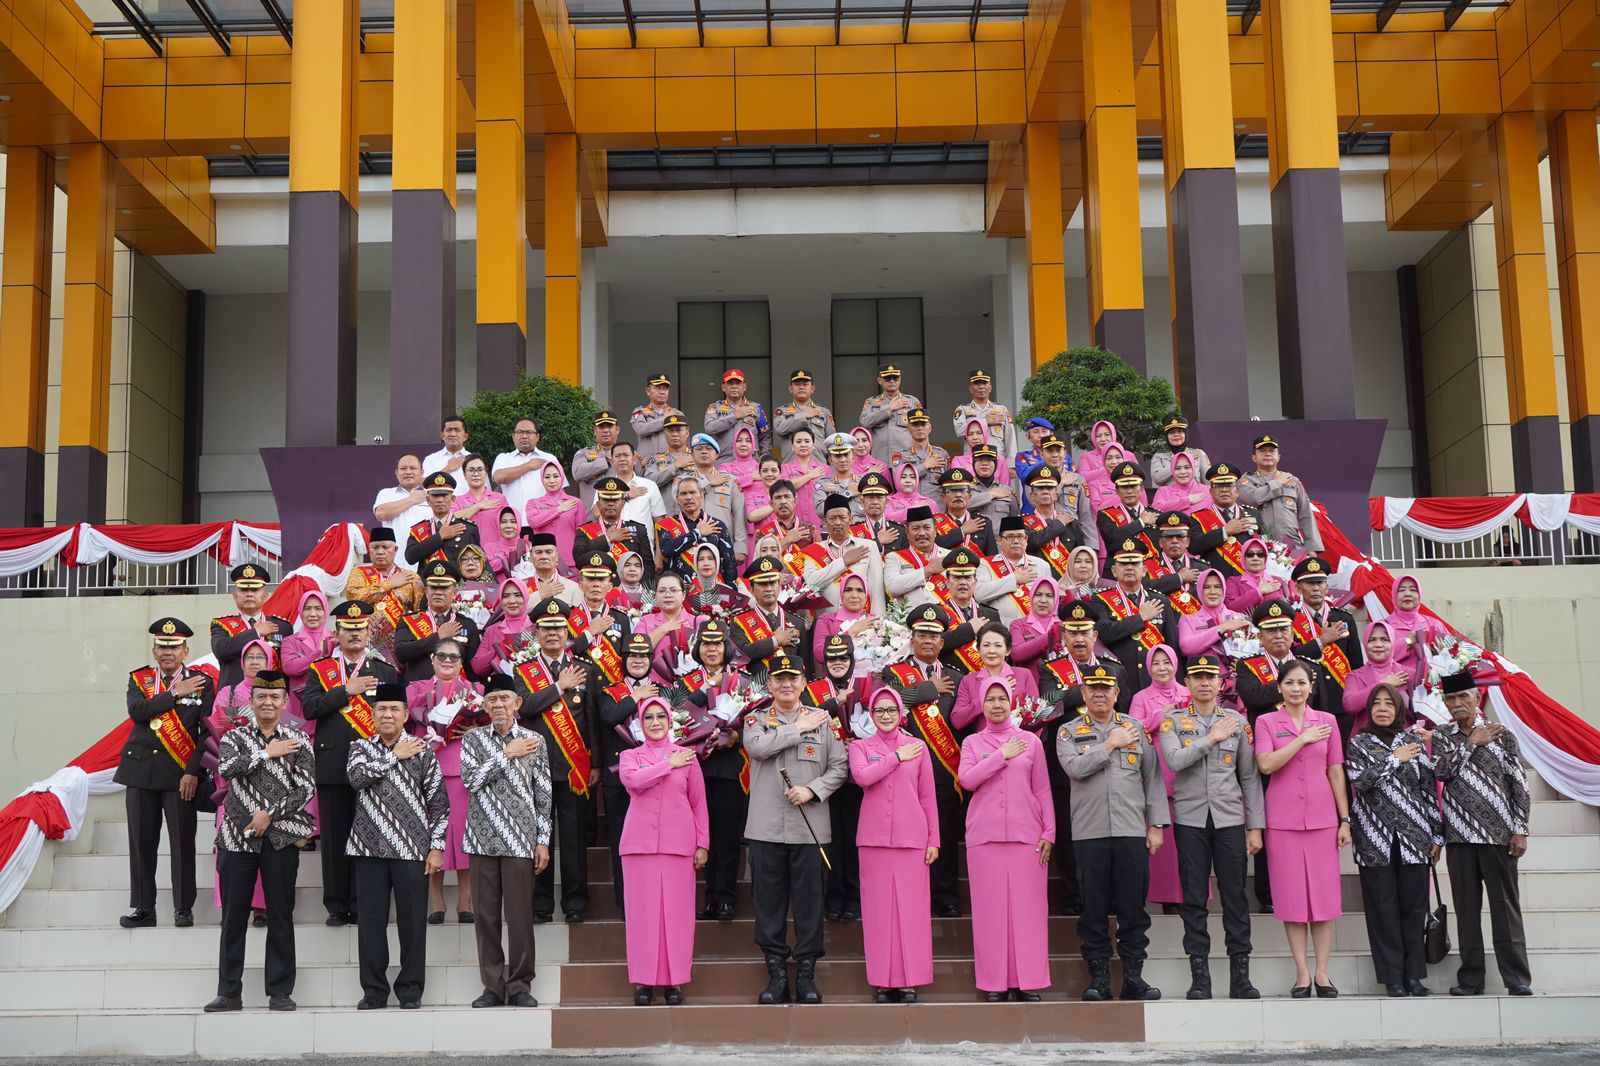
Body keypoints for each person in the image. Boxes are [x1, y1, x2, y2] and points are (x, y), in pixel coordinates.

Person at [205, 670, 315, 1013]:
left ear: (284, 702)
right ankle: (228, 992)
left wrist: (269, 814)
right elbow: (229, 769)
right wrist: (267, 753)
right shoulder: (234, 738)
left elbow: (306, 788)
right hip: (238, 838)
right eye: (261, 697)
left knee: (281, 915)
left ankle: (280, 991)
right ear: (251, 702)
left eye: (274, 697)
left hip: (280, 838)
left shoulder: (299, 741)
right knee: (234, 918)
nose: (268, 702)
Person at [743, 651, 850, 1005]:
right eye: (779, 679)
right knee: (769, 904)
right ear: (769, 685)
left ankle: (806, 972)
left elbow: (839, 767)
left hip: (811, 829)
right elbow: (757, 749)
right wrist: (796, 729)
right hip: (766, 828)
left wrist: (813, 790)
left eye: (793, 678)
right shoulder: (756, 720)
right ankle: (775, 973)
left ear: (804, 682)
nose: (786, 684)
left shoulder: (824, 722)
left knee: (809, 904)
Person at [1158, 654, 1264, 1000]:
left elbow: (1248, 777)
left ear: (1221, 684)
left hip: (1230, 819)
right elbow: (1174, 761)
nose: (1204, 683)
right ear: (1186, 684)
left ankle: (1241, 976)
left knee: (1235, 896)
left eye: (1211, 678)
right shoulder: (1172, 722)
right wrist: (1211, 738)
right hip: (1190, 820)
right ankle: (1200, 976)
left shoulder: (1237, 721)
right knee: (1193, 897)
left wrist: (1255, 827)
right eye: (1197, 678)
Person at [1060, 665, 1167, 1002]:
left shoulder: (1135, 729)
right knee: (1092, 909)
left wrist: (1157, 825)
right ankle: (1100, 979)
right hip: (1089, 832)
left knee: (1133, 907)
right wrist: (1108, 745)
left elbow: (1153, 779)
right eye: (1093, 688)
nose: (1100, 693)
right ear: (1084, 692)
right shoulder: (1069, 732)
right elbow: (1074, 768)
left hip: (1131, 831)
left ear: (1117, 693)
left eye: (1107, 687)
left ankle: (1134, 977)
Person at [1253, 658, 1351, 998]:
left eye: (1302, 683)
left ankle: (1323, 973)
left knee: (1323, 902)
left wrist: (1345, 819)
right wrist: (1302, 739)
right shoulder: (1267, 722)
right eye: (1289, 683)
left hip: (1323, 819)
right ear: (1279, 687)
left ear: (1312, 687)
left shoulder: (1327, 721)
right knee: (1293, 903)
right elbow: (1266, 764)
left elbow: (1336, 771)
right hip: (1282, 822)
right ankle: (1302, 973)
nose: (1296, 689)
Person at [346, 683, 448, 1010]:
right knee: (371, 924)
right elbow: (357, 778)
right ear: (372, 715)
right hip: (369, 849)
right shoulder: (360, 747)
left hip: (411, 850)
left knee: (413, 924)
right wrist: (393, 756)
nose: (387, 715)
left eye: (394, 710)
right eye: (381, 710)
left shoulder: (422, 750)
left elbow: (440, 806)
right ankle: (374, 991)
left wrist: (436, 847)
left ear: (405, 715)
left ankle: (411, 989)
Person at [299, 600, 401, 926]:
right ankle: (337, 905)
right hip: (333, 765)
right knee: (334, 839)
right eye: (348, 629)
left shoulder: (384, 670)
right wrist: (347, 690)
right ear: (337, 633)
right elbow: (310, 708)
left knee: (369, 838)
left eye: (360, 629)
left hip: (373, 767)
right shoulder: (321, 669)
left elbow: (394, 717)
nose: (354, 634)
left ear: (369, 631)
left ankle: (364, 905)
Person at [1432, 671, 1533, 997]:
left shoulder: (1501, 735)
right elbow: (1441, 772)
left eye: (1464, 697)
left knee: (1505, 907)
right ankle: (1471, 979)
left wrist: (1520, 829)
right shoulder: (1443, 735)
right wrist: (1470, 744)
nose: (1458, 704)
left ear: (1477, 699)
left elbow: (1519, 785)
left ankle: (1516, 978)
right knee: (1466, 909)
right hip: (1459, 837)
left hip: (1499, 836)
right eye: (1451, 699)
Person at [960, 676, 1054, 1002]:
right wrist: (1001, 755)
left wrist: (1049, 832)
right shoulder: (972, 743)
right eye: (990, 699)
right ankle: (994, 983)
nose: (997, 705)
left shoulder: (1031, 741)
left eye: (1002, 699)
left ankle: (1026, 981)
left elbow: (1042, 788)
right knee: (990, 915)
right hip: (984, 839)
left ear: (1011, 702)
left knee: (1028, 913)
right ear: (982, 705)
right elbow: (967, 780)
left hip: (1026, 836)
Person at [461, 674, 552, 1009]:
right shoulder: (472, 740)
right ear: (484, 706)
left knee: (519, 914)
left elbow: (544, 794)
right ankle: (493, 986)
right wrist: (506, 754)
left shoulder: (535, 740)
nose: (499, 705)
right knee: (485, 915)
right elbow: (471, 782)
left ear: (517, 704)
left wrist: (542, 840)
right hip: (482, 839)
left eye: (505, 699)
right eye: (493, 700)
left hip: (520, 840)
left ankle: (520, 984)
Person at [1346, 683, 1443, 998]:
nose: (1383, 709)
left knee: (1413, 910)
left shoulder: (1413, 742)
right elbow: (1361, 780)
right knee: (1382, 910)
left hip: (1414, 840)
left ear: (1399, 710)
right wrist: (1393, 759)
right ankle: (1392, 978)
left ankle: (1414, 976)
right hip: (1375, 841)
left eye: (1389, 703)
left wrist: (1437, 834)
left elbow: (1428, 789)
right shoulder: (1359, 743)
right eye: (1377, 703)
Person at [118, 617, 212, 930]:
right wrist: (174, 694)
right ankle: (145, 908)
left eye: (174, 646)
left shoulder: (203, 682)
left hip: (179, 775)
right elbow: (138, 713)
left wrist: (193, 773)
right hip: (141, 771)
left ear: (185, 650)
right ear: (154, 650)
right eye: (162, 646)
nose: (167, 651)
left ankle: (183, 908)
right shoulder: (140, 679)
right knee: (141, 843)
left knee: (182, 844)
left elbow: (206, 735)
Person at [511, 598, 600, 924]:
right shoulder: (524, 670)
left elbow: (591, 720)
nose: (552, 634)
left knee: (574, 840)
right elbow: (526, 707)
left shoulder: (585, 669)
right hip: (535, 768)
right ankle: (540, 904)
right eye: (546, 628)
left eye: (558, 628)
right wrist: (559, 686)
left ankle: (575, 903)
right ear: (536, 631)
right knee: (538, 838)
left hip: (574, 768)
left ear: (567, 632)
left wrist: (597, 764)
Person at [620, 696, 710, 1006]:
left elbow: (698, 802)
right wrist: (666, 765)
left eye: (661, 717)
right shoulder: (631, 756)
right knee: (642, 916)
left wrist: (703, 843)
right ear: (641, 724)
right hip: (639, 846)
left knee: (677, 916)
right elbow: (633, 782)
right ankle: (643, 982)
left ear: (670, 722)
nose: (655, 722)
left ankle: (675, 982)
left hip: (678, 846)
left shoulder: (687, 757)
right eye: (649, 718)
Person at [851, 687, 939, 1004]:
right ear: (871, 715)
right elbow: (863, 777)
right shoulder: (861, 747)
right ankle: (883, 981)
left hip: (912, 840)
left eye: (891, 710)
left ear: (901, 713)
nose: (886, 716)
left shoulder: (917, 746)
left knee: (911, 912)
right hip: (874, 841)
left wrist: (934, 839)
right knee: (878, 914)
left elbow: (928, 795)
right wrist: (894, 758)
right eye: (879, 711)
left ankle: (910, 981)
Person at [882, 604, 965, 916]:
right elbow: (890, 702)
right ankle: (910, 896)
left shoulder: (957, 677)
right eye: (922, 634)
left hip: (944, 769)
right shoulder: (894, 672)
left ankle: (945, 897)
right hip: (905, 767)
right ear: (912, 639)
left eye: (934, 635)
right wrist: (930, 690)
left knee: (942, 834)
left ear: (942, 642)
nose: (928, 640)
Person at [674, 619, 757, 922]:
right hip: (695, 767)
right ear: (699, 649)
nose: (712, 649)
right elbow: (676, 719)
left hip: (729, 766)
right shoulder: (685, 681)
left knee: (726, 835)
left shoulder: (742, 682)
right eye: (706, 644)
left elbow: (755, 723)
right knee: (700, 836)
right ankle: (708, 897)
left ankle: (725, 898)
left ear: (726, 649)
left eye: (717, 644)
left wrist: (736, 738)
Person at [406, 637, 485, 924]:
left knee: (465, 834)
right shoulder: (417, 687)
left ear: (462, 662)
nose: (447, 661)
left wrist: (471, 727)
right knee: (432, 833)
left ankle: (466, 901)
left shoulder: (475, 690)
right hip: (428, 767)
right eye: (442, 656)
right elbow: (409, 708)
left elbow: (485, 722)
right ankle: (436, 901)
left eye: (453, 657)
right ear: (432, 659)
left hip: (463, 769)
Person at [1129, 645, 1189, 916]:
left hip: (1189, 775)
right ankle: (1167, 899)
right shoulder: (1142, 696)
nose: (1162, 668)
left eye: (1167, 662)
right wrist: (1162, 713)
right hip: (1157, 774)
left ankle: (1192, 892)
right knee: (1164, 844)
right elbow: (1132, 729)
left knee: (1190, 839)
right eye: (1156, 663)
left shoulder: (1188, 693)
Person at [1290, 557, 1363, 741]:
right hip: (1307, 702)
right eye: (1309, 583)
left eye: (1320, 583)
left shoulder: (1344, 618)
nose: (1315, 588)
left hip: (1341, 702)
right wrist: (1322, 641)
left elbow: (1356, 666)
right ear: (1298, 588)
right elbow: (1290, 658)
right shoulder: (1291, 620)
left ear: (1327, 587)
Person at [1091, 539, 1176, 693]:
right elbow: (1104, 633)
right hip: (1119, 682)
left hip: (1155, 681)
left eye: (1135, 564)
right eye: (1123, 564)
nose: (1129, 568)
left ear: (1144, 570)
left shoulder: (1160, 600)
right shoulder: (1100, 600)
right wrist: (1140, 617)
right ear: (1114, 571)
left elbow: (1172, 645)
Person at [394, 559, 483, 686]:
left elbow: (472, 669)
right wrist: (438, 637)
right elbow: (401, 653)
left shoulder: (467, 625)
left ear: (455, 593)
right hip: (417, 694)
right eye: (433, 587)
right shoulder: (409, 620)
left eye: (444, 588)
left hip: (455, 696)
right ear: (426, 591)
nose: (438, 592)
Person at [342, 529, 424, 655]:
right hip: (366, 642)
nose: (380, 552)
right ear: (369, 550)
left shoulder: (411, 578)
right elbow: (354, 598)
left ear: (395, 550)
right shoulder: (359, 573)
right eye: (375, 547)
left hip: (402, 642)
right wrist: (389, 585)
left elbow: (420, 612)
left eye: (385, 547)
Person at [802, 493, 886, 614]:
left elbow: (877, 590)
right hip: (827, 622)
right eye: (832, 518)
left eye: (842, 517)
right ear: (825, 521)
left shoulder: (868, 546)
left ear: (850, 519)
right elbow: (810, 584)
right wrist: (843, 562)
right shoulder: (814, 550)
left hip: (861, 622)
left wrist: (878, 623)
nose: (837, 522)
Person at [1238, 434, 1322, 552]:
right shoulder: (1246, 481)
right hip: (1260, 545)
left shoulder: (1292, 480)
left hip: (1292, 544)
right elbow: (1252, 498)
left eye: (1272, 451)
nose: (1268, 454)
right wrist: (1276, 483)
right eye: (1262, 451)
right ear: (1254, 458)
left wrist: (1313, 548)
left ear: (1278, 457)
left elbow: (1306, 514)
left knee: (1297, 570)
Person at [212, 563, 290, 690]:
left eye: (255, 590)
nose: (249, 594)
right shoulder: (221, 625)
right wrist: (256, 632)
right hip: (234, 699)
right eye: (243, 590)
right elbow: (222, 651)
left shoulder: (282, 627)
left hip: (271, 699)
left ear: (265, 596)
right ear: (234, 596)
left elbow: (287, 667)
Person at [951, 622, 1040, 731]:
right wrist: (986, 695)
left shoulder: (1024, 675)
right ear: (978, 649)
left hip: (1019, 744)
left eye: (998, 645)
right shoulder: (968, 681)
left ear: (1008, 650)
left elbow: (1037, 717)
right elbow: (957, 720)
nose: (991, 651)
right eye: (986, 645)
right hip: (982, 745)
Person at [1342, 621, 1423, 733]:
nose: (1378, 644)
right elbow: (1350, 706)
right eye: (1372, 640)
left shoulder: (1409, 674)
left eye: (1385, 640)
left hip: (1404, 740)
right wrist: (1383, 684)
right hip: (1365, 743)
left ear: (1393, 643)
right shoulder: (1355, 676)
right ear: (1365, 643)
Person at [659, 476, 737, 585]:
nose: (688, 497)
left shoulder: (716, 525)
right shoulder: (667, 525)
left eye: (692, 492)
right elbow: (667, 550)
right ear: (677, 499)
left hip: (712, 590)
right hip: (680, 589)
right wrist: (697, 533)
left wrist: (731, 590)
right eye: (683, 494)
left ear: (701, 496)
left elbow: (729, 563)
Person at [1194, 461, 1259, 575]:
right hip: (1216, 582)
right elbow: (1193, 547)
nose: (1224, 490)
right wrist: (1224, 531)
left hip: (1247, 579)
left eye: (1229, 485)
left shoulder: (1253, 514)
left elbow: (1264, 545)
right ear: (1211, 492)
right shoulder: (1199, 517)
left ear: (1237, 491)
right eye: (1219, 486)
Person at [493, 418, 566, 517]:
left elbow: (561, 491)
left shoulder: (549, 458)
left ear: (537, 436)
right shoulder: (504, 458)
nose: (524, 436)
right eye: (519, 432)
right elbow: (499, 477)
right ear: (513, 436)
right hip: (512, 523)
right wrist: (529, 466)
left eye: (529, 432)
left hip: (544, 520)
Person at [406, 472, 482, 568]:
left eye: (444, 495)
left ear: (453, 499)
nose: (440, 500)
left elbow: (478, 563)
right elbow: (410, 557)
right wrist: (439, 537)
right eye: (435, 496)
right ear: (428, 500)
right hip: (427, 582)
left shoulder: (468, 528)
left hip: (458, 583)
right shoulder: (419, 530)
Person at [1178, 569, 1251, 663]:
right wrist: (1221, 628)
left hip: (1236, 676)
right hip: (1204, 676)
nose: (1212, 592)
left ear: (1224, 589)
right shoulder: (1187, 620)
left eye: (1217, 587)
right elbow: (1186, 648)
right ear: (1199, 589)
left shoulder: (1239, 618)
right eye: (1207, 587)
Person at [980, 517, 1043, 623]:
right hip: (1000, 630)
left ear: (1026, 539)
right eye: (1010, 537)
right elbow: (979, 594)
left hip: (1033, 628)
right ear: (999, 541)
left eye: (1020, 537)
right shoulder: (985, 564)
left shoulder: (1041, 565)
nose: (1016, 541)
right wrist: (1013, 579)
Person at [523, 460, 585, 568]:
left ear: (562, 478)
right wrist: (558, 510)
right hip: (543, 561)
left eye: (556, 476)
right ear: (542, 480)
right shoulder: (533, 503)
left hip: (570, 560)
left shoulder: (575, 502)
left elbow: (582, 534)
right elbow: (533, 522)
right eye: (547, 477)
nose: (552, 480)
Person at [1385, 574, 1447, 676]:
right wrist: (1408, 642)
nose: (1408, 594)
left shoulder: (1434, 624)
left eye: (1413, 590)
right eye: (1401, 590)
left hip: (1434, 687)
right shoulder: (1384, 627)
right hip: (1399, 686)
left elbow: (1453, 655)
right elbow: (1379, 659)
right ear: (1394, 594)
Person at [473, 576, 534, 677]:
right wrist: (499, 649)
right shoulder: (492, 631)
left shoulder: (536, 628)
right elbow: (477, 667)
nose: (512, 601)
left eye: (518, 595)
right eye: (506, 596)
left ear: (526, 597)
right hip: (503, 688)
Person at [859, 363, 920, 463]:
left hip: (906, 460)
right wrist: (889, 409)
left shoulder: (912, 401)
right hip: (880, 460)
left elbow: (922, 430)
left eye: (895, 378)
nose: (892, 381)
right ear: (880, 380)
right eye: (887, 378)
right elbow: (864, 422)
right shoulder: (871, 402)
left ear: (900, 379)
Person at [704, 367, 770, 458]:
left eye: (738, 383)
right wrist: (734, 416)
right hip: (723, 461)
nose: (734, 386)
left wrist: (764, 457)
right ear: (723, 387)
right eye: (730, 383)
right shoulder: (715, 407)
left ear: (744, 387)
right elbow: (709, 428)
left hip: (750, 463)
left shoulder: (756, 408)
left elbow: (765, 435)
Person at [952, 368, 1017, 460]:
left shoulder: (1001, 409)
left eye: (984, 383)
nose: (981, 387)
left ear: (990, 387)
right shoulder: (962, 410)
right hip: (972, 461)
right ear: (970, 389)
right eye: (977, 383)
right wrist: (985, 421)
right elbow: (960, 431)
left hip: (997, 460)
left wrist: (1011, 464)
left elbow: (1010, 438)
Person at [773, 368, 836, 461]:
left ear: (812, 389)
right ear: (790, 389)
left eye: (805, 384)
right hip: (791, 466)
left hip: (819, 466)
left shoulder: (824, 412)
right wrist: (803, 415)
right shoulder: (782, 411)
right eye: (797, 384)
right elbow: (779, 429)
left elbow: (832, 441)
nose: (801, 387)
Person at [373, 454, 431, 550]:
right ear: (396, 473)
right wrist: (411, 499)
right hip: (395, 556)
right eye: (403, 468)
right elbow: (381, 514)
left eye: (413, 468)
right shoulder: (386, 493)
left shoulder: (432, 495)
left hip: (426, 555)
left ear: (422, 472)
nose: (408, 472)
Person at [609, 441, 667, 535]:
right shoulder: (604, 487)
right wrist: (625, 495)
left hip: (644, 547)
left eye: (626, 455)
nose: (622, 458)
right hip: (615, 547)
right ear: (611, 462)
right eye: (618, 456)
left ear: (634, 460)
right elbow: (597, 514)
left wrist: (658, 549)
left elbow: (659, 522)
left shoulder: (649, 485)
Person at [889, 406, 949, 498]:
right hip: (910, 509)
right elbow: (898, 482)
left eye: (923, 424)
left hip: (936, 509)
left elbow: (948, 485)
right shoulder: (900, 456)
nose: (920, 428)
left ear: (930, 428)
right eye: (915, 425)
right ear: (908, 428)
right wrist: (924, 466)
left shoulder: (942, 454)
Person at [452, 453, 511, 545]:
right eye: (471, 470)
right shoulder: (457, 500)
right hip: (467, 555)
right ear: (464, 475)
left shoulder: (499, 498)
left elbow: (509, 526)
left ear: (486, 473)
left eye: (480, 469)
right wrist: (479, 506)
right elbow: (452, 520)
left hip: (495, 553)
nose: (476, 474)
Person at [935, 468, 995, 557]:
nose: (958, 495)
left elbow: (992, 557)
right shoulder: (934, 523)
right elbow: (934, 547)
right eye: (952, 491)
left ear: (970, 497)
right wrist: (962, 531)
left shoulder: (983, 523)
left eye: (962, 491)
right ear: (943, 497)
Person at [781, 427, 830, 531]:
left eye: (807, 441)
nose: (803, 444)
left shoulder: (824, 469)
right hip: (793, 526)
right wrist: (810, 476)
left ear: (813, 445)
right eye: (798, 441)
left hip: (820, 525)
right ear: (792, 446)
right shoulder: (784, 468)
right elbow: (785, 488)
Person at [630, 372, 685, 461]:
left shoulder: (677, 414)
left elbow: (684, 438)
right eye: (658, 388)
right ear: (648, 391)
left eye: (665, 389)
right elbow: (641, 429)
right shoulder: (640, 412)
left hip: (672, 464)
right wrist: (664, 420)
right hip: (646, 465)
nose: (662, 392)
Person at [573, 409, 622, 506]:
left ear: (617, 430)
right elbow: (577, 473)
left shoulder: (629, 454)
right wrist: (606, 460)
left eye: (610, 426)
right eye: (601, 427)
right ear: (595, 431)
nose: (606, 430)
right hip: (592, 517)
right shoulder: (584, 453)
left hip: (622, 515)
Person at [812, 432, 864, 522]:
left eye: (846, 454)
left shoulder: (864, 482)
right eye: (837, 456)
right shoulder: (821, 484)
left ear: (854, 457)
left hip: (861, 533)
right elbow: (821, 510)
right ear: (830, 459)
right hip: (834, 533)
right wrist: (848, 494)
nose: (843, 460)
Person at [1149, 416, 1212, 489]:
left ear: (1185, 434)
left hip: (1197, 497)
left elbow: (1208, 483)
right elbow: (1157, 479)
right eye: (1172, 432)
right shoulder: (1159, 457)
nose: (1176, 435)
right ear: (1167, 436)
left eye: (1179, 431)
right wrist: (1185, 458)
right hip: (1170, 499)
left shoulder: (1198, 453)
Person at [644, 412, 697, 491]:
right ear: (665, 434)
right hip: (665, 503)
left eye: (678, 430)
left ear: (687, 433)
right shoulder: (655, 459)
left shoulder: (696, 457)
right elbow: (649, 483)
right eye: (670, 431)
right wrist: (674, 467)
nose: (674, 434)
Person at [421, 415, 472, 491]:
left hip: (469, 502)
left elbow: (484, 489)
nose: (453, 434)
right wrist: (448, 469)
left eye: (457, 430)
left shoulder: (474, 459)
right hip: (439, 502)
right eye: (449, 430)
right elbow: (424, 486)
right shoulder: (430, 459)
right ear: (442, 436)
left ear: (465, 436)